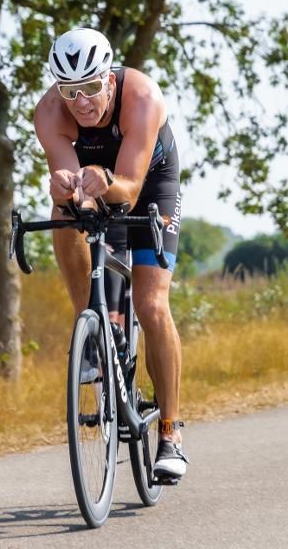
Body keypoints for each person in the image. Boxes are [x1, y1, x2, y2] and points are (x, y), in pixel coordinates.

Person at [34, 27, 188, 479]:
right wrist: (65, 187)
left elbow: (130, 188)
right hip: (99, 183)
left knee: (150, 303)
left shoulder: (143, 96)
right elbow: (68, 180)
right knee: (61, 211)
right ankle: (92, 328)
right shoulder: (49, 113)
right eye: (70, 91)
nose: (81, 102)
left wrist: (103, 177)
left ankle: (171, 430)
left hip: (149, 182)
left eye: (90, 88)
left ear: (110, 79)